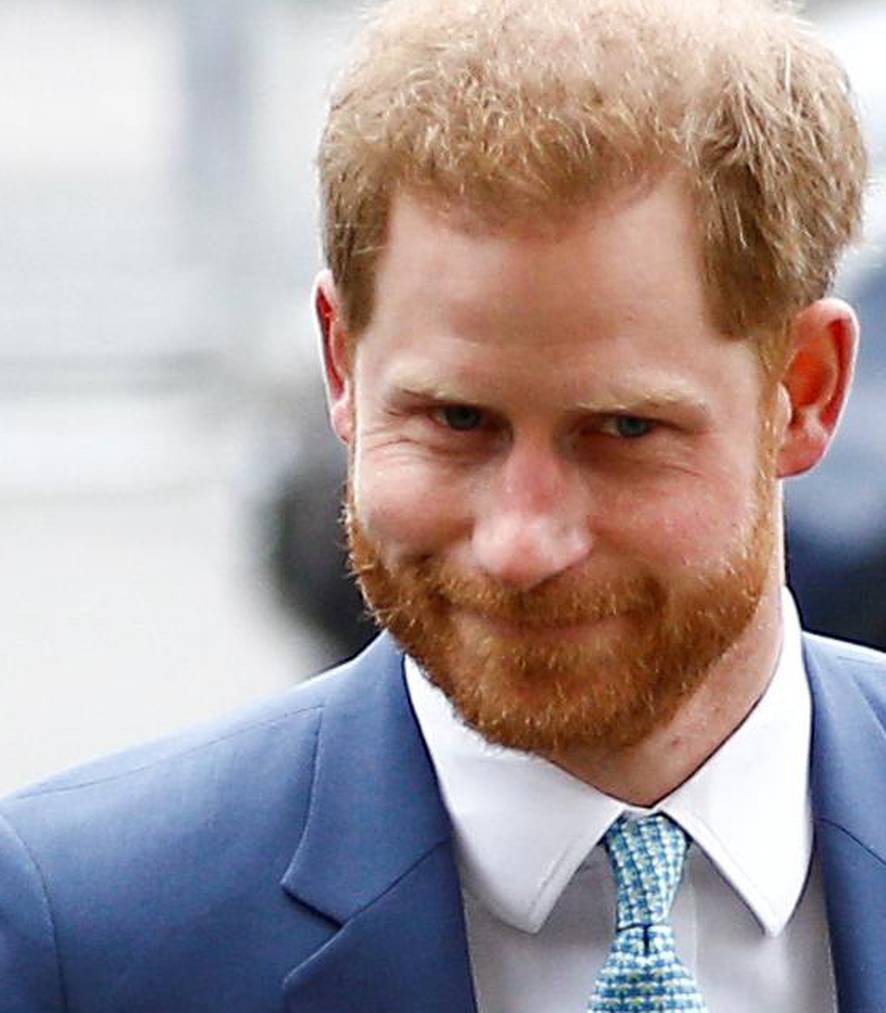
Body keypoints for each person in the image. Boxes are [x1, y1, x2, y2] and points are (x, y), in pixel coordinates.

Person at [1, 0, 882, 1010]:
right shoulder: (81, 929)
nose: (520, 541)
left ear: (803, 390)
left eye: (624, 430)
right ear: (341, 363)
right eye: (456, 419)